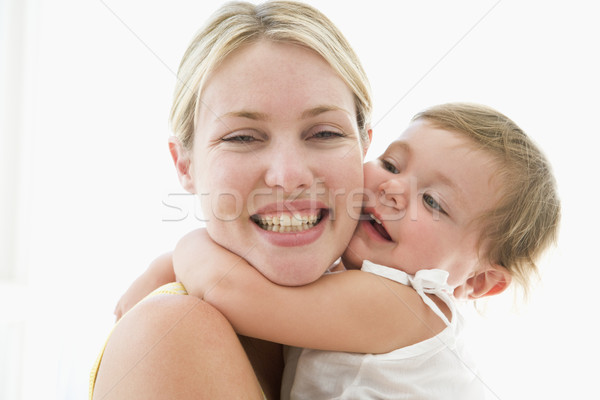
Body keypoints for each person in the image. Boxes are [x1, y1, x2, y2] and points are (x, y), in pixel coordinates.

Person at [171, 102, 561, 399]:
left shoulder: (407, 306)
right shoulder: (347, 277)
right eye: (392, 165)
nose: (392, 189)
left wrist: (186, 246)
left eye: (433, 202)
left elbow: (231, 292)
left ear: (479, 281)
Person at [90, 1, 372, 399]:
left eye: (324, 134)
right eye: (242, 137)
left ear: (364, 148)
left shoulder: (391, 311)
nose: (289, 176)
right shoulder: (173, 334)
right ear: (185, 165)